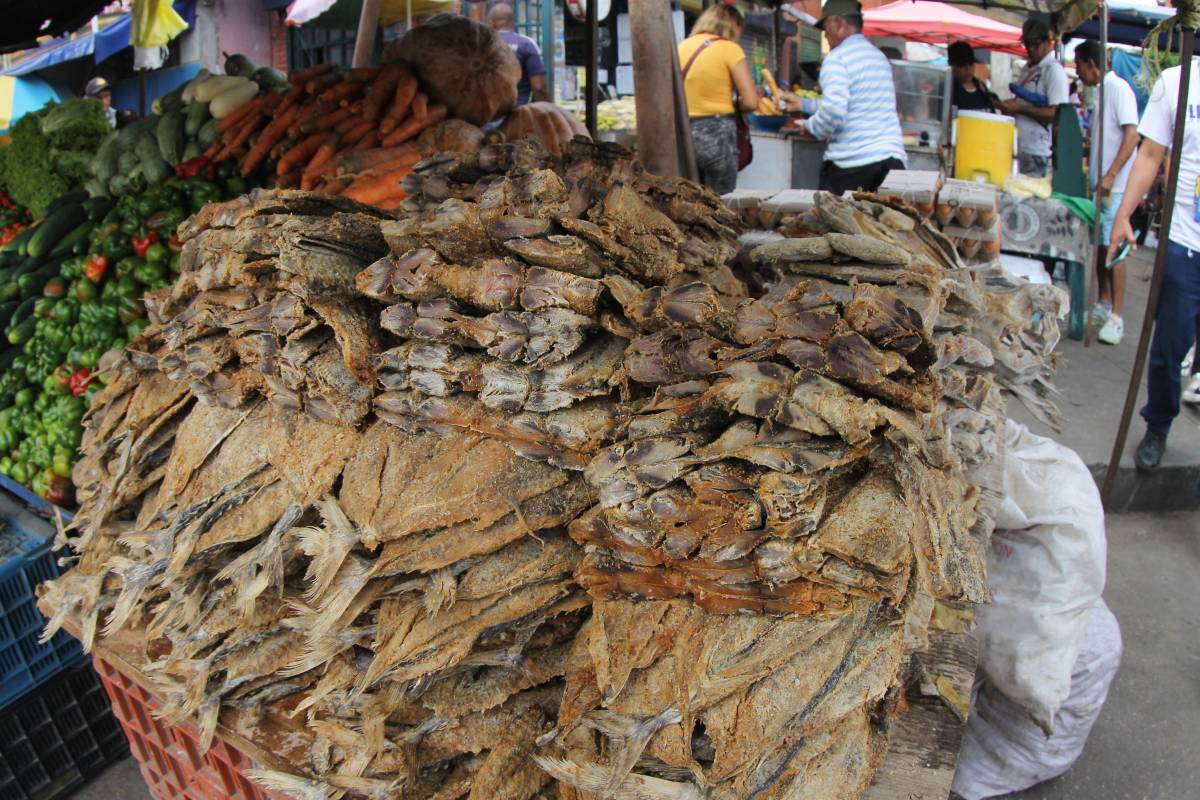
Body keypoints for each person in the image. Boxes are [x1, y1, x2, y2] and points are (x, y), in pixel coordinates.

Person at [1107, 55, 1200, 471]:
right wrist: (1124, 214)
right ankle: (1159, 424)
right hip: (1184, 243)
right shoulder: (1179, 80)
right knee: (1169, 348)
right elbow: (1150, 154)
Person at [783, 0, 905, 194]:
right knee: (885, 223)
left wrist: (811, 127)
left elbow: (834, 111)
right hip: (891, 162)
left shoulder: (837, 58)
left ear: (838, 23)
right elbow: (855, 104)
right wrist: (804, 104)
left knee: (834, 224)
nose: (825, 34)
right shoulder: (878, 57)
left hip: (853, 166)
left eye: (826, 27)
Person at [1074, 39, 1139, 346]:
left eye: (1078, 65)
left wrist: (1112, 174)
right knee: (1102, 245)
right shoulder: (1100, 92)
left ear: (1091, 63)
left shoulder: (1118, 88)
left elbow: (1132, 134)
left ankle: (1117, 314)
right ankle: (1102, 301)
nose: (1077, 72)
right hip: (1102, 183)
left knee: (1115, 249)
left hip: (1118, 185)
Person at [677, 4, 759, 195]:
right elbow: (751, 101)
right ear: (733, 25)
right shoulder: (729, 49)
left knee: (689, 200)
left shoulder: (682, 46)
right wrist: (735, 105)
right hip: (717, 134)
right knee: (721, 202)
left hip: (683, 133)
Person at [996, 19, 1069, 177]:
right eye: (1028, 45)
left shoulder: (1053, 71)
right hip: (1019, 145)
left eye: (1035, 45)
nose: (1031, 49)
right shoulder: (1028, 69)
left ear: (1047, 43)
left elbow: (1058, 114)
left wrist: (1020, 109)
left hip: (1037, 150)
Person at [487, 3, 548, 105]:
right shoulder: (527, 44)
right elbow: (538, 87)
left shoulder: (483, 45)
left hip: (487, 114)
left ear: (492, 23)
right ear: (513, 21)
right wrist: (545, 112)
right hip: (518, 113)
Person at [948, 41, 995, 113]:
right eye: (962, 65)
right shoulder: (948, 90)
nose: (968, 69)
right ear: (952, 66)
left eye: (970, 64)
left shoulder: (982, 88)